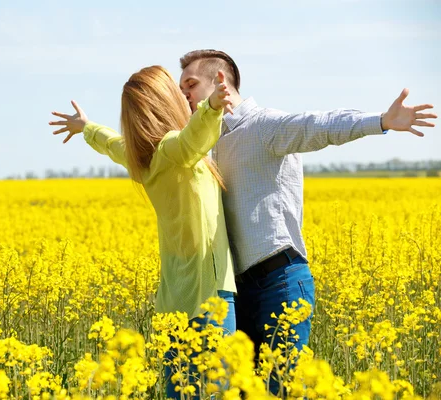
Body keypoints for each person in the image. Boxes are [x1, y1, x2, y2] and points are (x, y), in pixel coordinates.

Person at [177, 49, 437, 395]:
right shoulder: (209, 142)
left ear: (220, 80)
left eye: (190, 84)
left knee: (281, 390)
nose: (185, 95)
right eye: (181, 89)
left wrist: (380, 122)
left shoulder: (263, 125)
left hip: (279, 282)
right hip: (236, 291)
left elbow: (319, 125)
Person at [49, 65, 237, 399]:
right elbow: (193, 138)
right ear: (166, 103)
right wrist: (211, 108)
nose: (184, 96)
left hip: (171, 302)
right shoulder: (170, 150)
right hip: (207, 296)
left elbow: (112, 144)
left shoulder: (141, 159)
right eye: (177, 93)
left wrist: (86, 127)